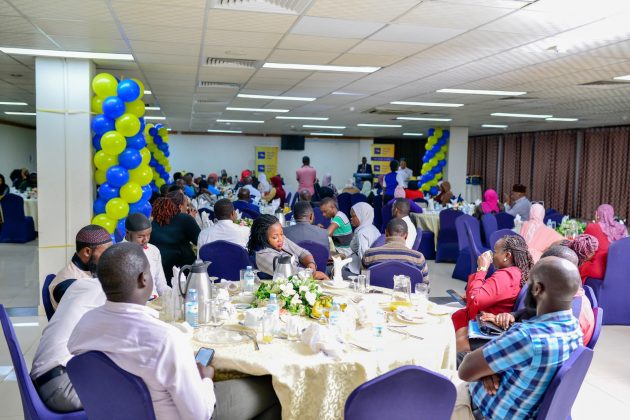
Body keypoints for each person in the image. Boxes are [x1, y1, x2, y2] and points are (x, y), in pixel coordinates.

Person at [68, 243, 281, 419]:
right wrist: (206, 379)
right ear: (143, 279)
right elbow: (199, 414)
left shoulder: (85, 324)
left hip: (117, 411)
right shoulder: (166, 339)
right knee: (274, 390)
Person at [454, 257, 582, 420]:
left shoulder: (527, 337)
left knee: (432, 384)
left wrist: (485, 370)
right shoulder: (575, 329)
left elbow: (465, 371)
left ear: (537, 288)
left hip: (479, 412)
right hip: (521, 408)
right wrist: (488, 370)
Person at [481, 245, 595, 346]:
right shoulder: (562, 293)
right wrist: (512, 316)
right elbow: (533, 313)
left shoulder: (572, 313)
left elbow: (537, 342)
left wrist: (509, 327)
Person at [31, 276, 106, 412]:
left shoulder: (81, 284)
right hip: (61, 387)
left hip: (46, 379)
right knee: (134, 394)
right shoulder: (110, 294)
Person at [451, 235, 533, 353]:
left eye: (495, 252)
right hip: (487, 318)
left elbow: (475, 300)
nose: (493, 256)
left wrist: (482, 269)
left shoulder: (506, 276)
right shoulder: (518, 272)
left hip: (483, 324)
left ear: (507, 255)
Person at [49, 225, 112, 309]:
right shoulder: (68, 284)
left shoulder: (92, 268)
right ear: (87, 252)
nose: (109, 257)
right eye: (105, 253)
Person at [248, 215, 328, 279]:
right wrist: (315, 274)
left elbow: (302, 252)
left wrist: (311, 263)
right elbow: (290, 274)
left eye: (281, 234)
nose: (280, 239)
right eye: (275, 237)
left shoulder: (281, 240)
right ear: (263, 238)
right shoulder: (263, 255)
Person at [149, 190, 201, 283]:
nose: (187, 208)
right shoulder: (185, 219)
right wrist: (191, 220)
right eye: (186, 205)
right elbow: (199, 241)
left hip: (159, 270)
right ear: (180, 207)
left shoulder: (154, 221)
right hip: (182, 270)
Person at [363, 218, 429, 282]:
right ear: (406, 236)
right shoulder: (419, 258)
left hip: (376, 290)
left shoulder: (369, 255)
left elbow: (363, 282)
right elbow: (425, 286)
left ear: (386, 233)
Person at [125, 213, 169, 299]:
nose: (146, 240)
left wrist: (173, 295)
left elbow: (161, 284)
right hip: (132, 303)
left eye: (148, 235)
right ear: (127, 233)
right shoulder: (118, 253)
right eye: (140, 237)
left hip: (154, 301)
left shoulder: (153, 250)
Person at [581, 204, 628, 281]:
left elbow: (581, 248)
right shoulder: (622, 228)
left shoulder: (593, 227)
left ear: (597, 215)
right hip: (618, 271)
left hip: (599, 271)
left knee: (576, 265)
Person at [347, 202, 381, 274]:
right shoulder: (374, 229)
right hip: (375, 267)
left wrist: (363, 277)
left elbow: (364, 258)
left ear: (362, 216)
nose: (351, 218)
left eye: (354, 216)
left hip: (361, 271)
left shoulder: (362, 233)